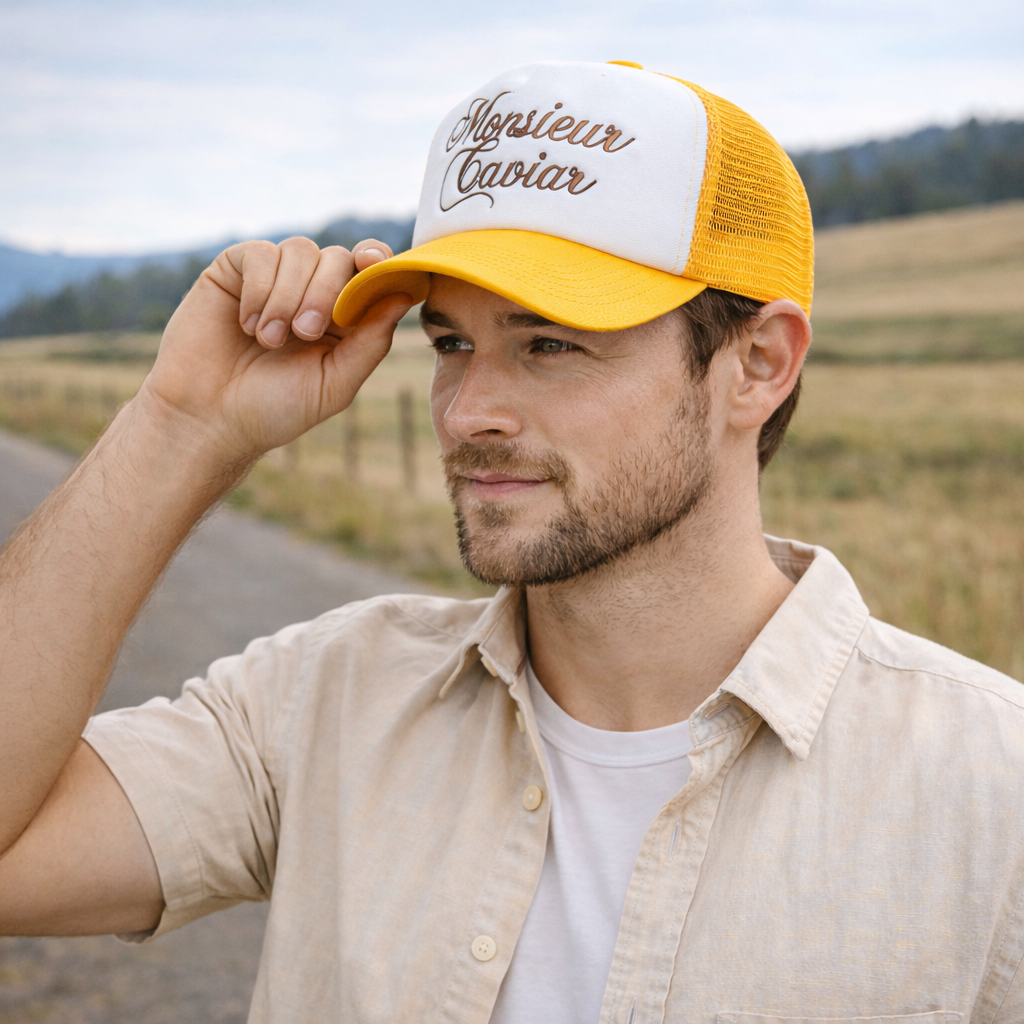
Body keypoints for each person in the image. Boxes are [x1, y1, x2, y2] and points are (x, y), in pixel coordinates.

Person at [0, 59, 1022, 1024]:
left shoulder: (989, 785)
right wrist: (182, 423)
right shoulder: (321, 702)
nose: (466, 410)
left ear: (755, 364)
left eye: (548, 343)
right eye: (451, 342)